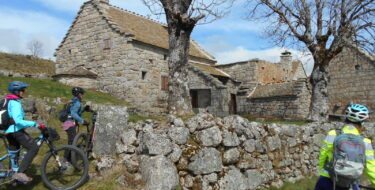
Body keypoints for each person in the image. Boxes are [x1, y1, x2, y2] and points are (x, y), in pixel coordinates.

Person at [315, 103, 375, 190]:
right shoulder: (365, 142)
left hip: (327, 180)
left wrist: (322, 172)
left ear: (346, 119)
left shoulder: (333, 134)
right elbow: (371, 168)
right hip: (350, 184)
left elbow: (322, 155)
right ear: (362, 124)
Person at [5, 81, 46, 183]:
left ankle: (13, 176)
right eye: (22, 90)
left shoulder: (11, 101)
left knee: (14, 154)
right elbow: (18, 121)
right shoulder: (14, 103)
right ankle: (20, 173)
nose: (24, 92)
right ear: (16, 91)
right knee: (34, 147)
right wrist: (34, 124)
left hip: (10, 131)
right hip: (15, 130)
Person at [63, 87, 89, 161]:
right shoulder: (77, 103)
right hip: (70, 123)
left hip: (67, 123)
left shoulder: (72, 101)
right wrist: (82, 121)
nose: (83, 95)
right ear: (79, 94)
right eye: (82, 94)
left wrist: (83, 109)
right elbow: (73, 113)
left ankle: (69, 158)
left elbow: (74, 111)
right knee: (72, 141)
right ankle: (65, 159)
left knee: (72, 141)